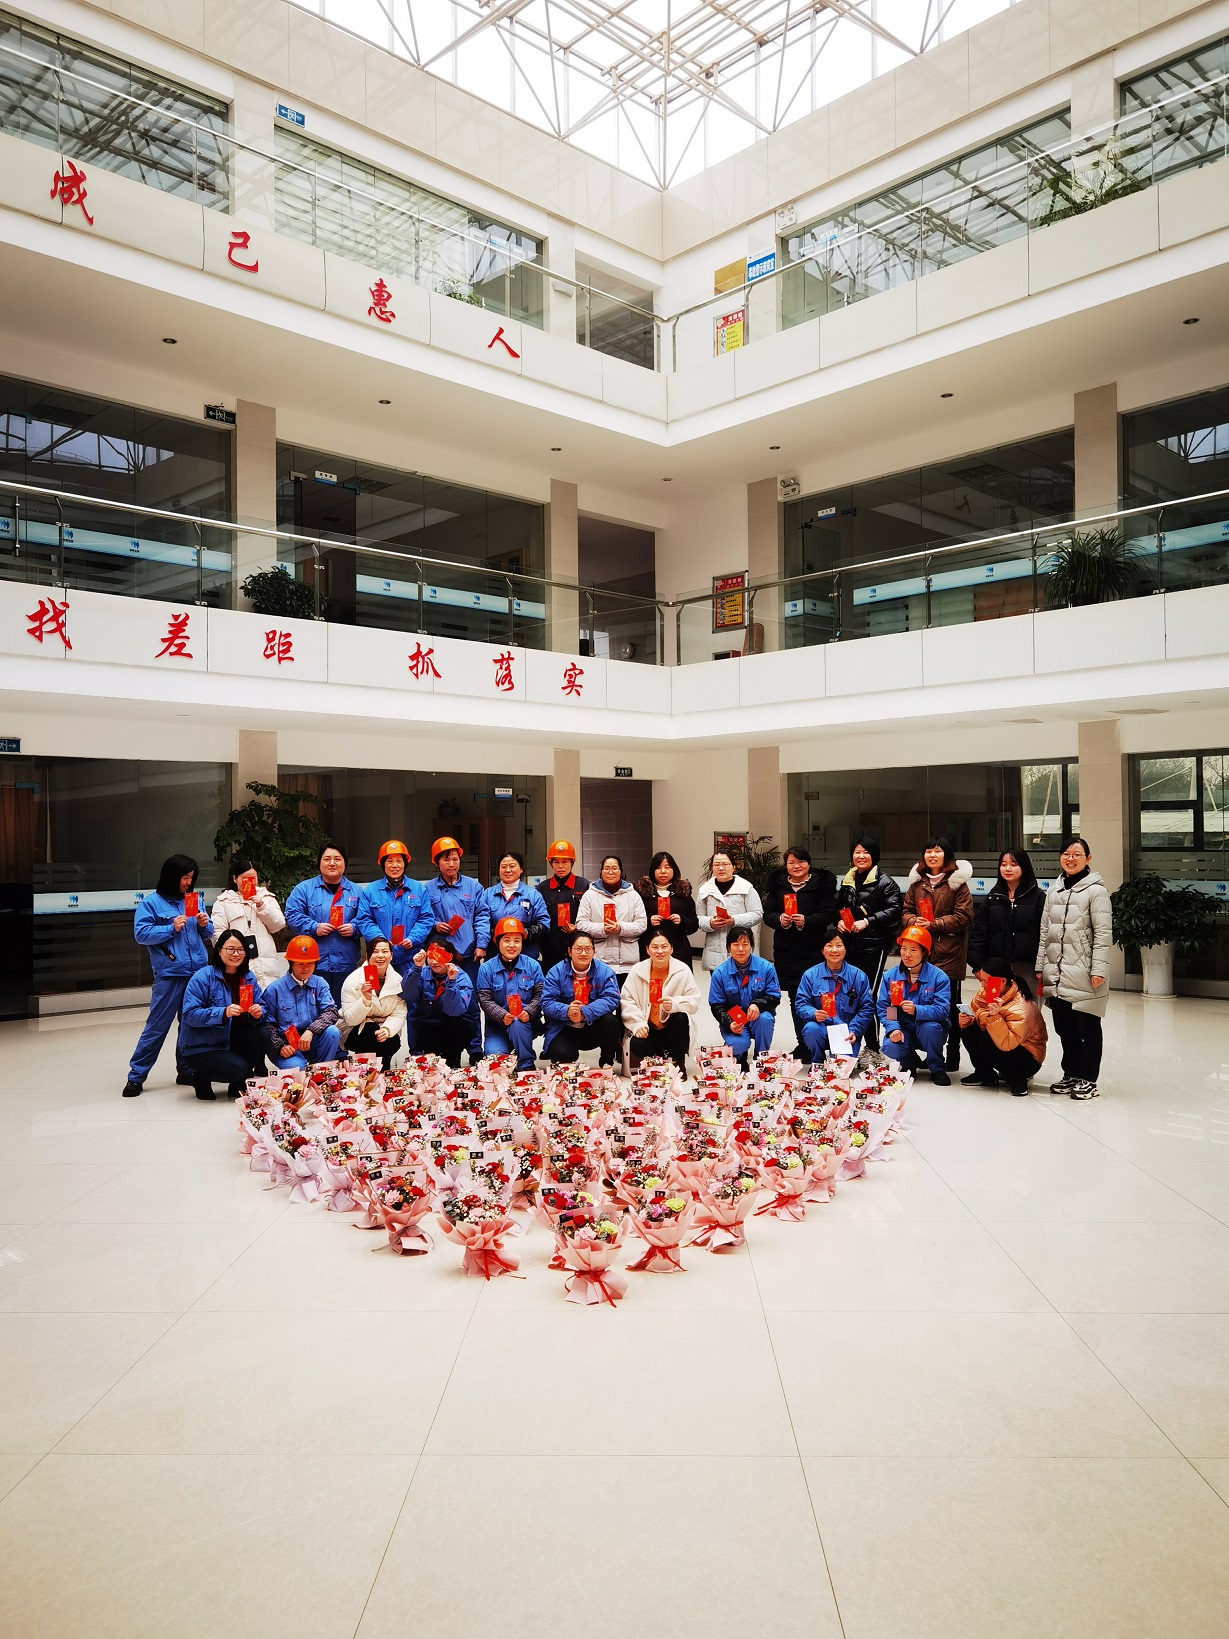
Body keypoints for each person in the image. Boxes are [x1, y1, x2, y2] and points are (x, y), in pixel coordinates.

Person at [121, 853, 214, 1098]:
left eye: (191, 878)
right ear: (172, 876)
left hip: (197, 974)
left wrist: (204, 924)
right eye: (185, 878)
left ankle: (186, 1070)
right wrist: (170, 928)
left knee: (191, 1024)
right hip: (171, 973)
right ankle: (136, 1076)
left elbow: (207, 934)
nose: (189, 882)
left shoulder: (194, 899)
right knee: (157, 1026)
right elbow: (141, 934)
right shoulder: (151, 903)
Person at [1036, 836, 1112, 1100]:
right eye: (1066, 854)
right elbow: (1045, 931)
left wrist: (1098, 969)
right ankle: (1071, 1073)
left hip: (1084, 971)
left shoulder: (1096, 892)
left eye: (1077, 854)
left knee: (1088, 1029)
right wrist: (1040, 965)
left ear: (1087, 859)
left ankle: (1088, 1079)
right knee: (1065, 1028)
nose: (1071, 858)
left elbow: (1103, 934)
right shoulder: (1053, 890)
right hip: (1056, 972)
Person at [901, 837, 973, 1071]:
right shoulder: (917, 884)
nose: (932, 855)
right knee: (919, 1002)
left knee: (950, 1006)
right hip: (922, 954)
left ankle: (952, 1055)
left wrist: (934, 924)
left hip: (948, 954)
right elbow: (905, 912)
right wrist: (914, 921)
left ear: (947, 855)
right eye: (928, 851)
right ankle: (927, 1052)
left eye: (938, 851)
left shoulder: (957, 883)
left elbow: (964, 917)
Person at [762, 844, 837, 1061]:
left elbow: (829, 913)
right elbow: (767, 913)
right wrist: (779, 920)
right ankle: (803, 1043)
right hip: (787, 951)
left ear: (809, 864)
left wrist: (806, 920)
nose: (796, 866)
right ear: (786, 866)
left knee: (820, 996)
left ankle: (822, 1041)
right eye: (791, 862)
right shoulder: (779, 886)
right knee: (796, 998)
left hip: (814, 950)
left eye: (801, 861)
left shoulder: (820, 885)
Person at [179, 929, 273, 1099]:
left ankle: (237, 1084)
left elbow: (263, 1006)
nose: (236, 954)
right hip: (203, 1046)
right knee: (239, 1069)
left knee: (262, 1035)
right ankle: (201, 1077)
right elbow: (190, 1015)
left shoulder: (248, 976)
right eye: (230, 949)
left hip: (231, 1040)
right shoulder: (202, 977)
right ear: (219, 950)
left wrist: (259, 1012)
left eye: (240, 949)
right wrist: (223, 1012)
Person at [833, 836, 901, 1049]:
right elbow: (840, 907)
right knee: (847, 995)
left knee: (867, 996)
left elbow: (894, 910)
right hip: (849, 944)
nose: (861, 856)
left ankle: (872, 1047)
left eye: (866, 852)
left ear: (875, 856)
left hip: (873, 946)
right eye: (857, 852)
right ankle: (847, 1044)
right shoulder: (848, 880)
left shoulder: (886, 882)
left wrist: (867, 921)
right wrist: (839, 922)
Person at [425, 835, 490, 1058]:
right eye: (446, 860)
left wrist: (482, 944)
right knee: (440, 1001)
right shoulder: (428, 889)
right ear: (436, 862)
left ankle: (475, 1050)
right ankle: (445, 1051)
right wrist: (435, 924)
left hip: (468, 955)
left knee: (471, 1004)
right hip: (440, 955)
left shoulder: (474, 886)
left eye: (455, 859)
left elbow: (482, 916)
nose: (451, 864)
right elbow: (423, 917)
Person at [285, 843, 363, 1006]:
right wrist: (314, 927)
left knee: (345, 1010)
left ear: (345, 863)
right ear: (319, 863)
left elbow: (367, 917)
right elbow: (292, 914)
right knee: (315, 1010)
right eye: (327, 859)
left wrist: (354, 927)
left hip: (346, 964)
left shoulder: (357, 891)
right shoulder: (304, 889)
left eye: (337, 859)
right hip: (313, 963)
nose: (332, 863)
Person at [958, 958, 1047, 1095]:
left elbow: (1007, 1043)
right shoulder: (985, 993)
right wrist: (966, 1020)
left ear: (1003, 981)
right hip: (1004, 1046)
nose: (983, 985)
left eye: (986, 981)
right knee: (969, 1031)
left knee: (988, 1038)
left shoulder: (1021, 1005)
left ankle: (1018, 1081)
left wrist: (994, 1017)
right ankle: (985, 1074)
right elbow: (976, 1017)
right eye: (981, 980)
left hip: (1027, 1058)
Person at [877, 924, 952, 1084]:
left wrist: (917, 1010)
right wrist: (893, 1028)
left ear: (924, 952)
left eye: (913, 950)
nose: (907, 954)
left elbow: (942, 1010)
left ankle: (937, 1068)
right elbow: (886, 1008)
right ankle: (910, 1063)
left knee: (930, 1028)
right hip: (904, 1028)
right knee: (890, 1046)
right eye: (904, 948)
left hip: (929, 1029)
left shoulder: (939, 977)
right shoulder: (890, 976)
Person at [621, 929, 701, 1074]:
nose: (660, 951)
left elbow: (694, 1001)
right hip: (648, 1026)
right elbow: (627, 1000)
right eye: (655, 947)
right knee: (638, 1045)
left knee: (680, 1017)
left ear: (671, 949)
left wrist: (674, 1004)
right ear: (647, 950)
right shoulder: (637, 970)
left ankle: (679, 1061)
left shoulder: (683, 970)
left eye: (664, 947)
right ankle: (655, 1057)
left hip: (671, 1028)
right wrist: (638, 1023)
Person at [968, 847, 1046, 993]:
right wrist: (978, 965)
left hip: (1028, 968)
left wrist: (1042, 967)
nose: (1007, 869)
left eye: (1014, 864)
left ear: (1024, 866)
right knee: (994, 1005)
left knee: (1026, 1006)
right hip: (995, 968)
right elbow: (979, 933)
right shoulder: (992, 898)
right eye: (1003, 864)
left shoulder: (1038, 897)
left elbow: (1045, 935)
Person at [541, 930, 622, 1065]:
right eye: (578, 949)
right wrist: (567, 1010)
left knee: (611, 1022)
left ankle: (606, 1063)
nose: (583, 953)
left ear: (594, 951)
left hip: (592, 1025)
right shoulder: (556, 972)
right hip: (564, 1026)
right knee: (561, 1054)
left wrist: (585, 1012)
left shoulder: (605, 971)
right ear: (569, 951)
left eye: (588, 949)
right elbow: (546, 1002)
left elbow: (612, 998)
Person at [262, 935, 343, 1069]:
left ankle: (322, 1071)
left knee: (332, 1032)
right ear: (291, 963)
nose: (305, 968)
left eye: (310, 963)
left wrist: (311, 1031)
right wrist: (280, 1047)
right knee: (298, 1067)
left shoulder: (320, 983)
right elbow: (267, 1024)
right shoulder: (274, 989)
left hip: (312, 1039)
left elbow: (331, 1012)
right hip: (286, 1046)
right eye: (300, 964)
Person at [793, 932, 874, 1064]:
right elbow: (801, 1004)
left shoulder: (858, 976)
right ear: (823, 950)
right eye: (829, 946)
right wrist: (813, 1013)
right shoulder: (810, 975)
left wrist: (854, 1030)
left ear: (845, 949)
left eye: (839, 945)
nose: (834, 950)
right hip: (821, 1028)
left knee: (842, 1068)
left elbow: (867, 1008)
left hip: (846, 1031)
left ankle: (841, 1056)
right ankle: (818, 1061)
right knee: (810, 1029)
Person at [476, 916, 544, 1071]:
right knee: (494, 1059)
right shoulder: (486, 969)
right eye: (507, 940)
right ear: (497, 942)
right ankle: (511, 1048)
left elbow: (541, 994)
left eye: (517, 941)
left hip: (525, 1023)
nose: (512, 945)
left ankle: (526, 1064)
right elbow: (484, 999)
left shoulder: (533, 966)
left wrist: (529, 1011)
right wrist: (501, 1015)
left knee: (518, 1023)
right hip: (497, 1025)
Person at [358, 840, 434, 978]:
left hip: (411, 957)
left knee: (411, 991)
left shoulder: (419, 889)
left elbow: (426, 918)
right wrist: (381, 941)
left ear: (405, 863)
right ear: (382, 864)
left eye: (399, 861)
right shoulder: (370, 891)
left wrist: (413, 938)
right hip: (378, 959)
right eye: (389, 861)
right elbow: (364, 920)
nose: (394, 865)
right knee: (375, 991)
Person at [708, 926, 780, 1067]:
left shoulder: (766, 967)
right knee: (738, 1045)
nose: (741, 949)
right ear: (729, 947)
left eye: (745, 944)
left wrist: (757, 1004)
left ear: (751, 946)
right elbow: (717, 1006)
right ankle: (739, 1057)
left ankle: (761, 1059)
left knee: (765, 1019)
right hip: (735, 1017)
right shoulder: (720, 973)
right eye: (736, 944)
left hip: (758, 1016)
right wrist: (730, 1022)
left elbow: (775, 996)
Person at [209, 857, 286, 987]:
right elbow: (217, 933)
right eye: (245, 878)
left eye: (253, 878)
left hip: (265, 963)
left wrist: (261, 906)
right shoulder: (224, 901)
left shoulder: (266, 897)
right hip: (237, 962)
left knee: (266, 995)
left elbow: (278, 924)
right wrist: (230, 953)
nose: (250, 882)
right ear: (235, 879)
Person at [401, 941, 475, 1068]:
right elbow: (408, 995)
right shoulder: (422, 972)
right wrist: (416, 968)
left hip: (455, 1025)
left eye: (439, 957)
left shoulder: (462, 977)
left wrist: (451, 983)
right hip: (428, 1025)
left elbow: (454, 1011)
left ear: (450, 957)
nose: (434, 962)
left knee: (454, 1032)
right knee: (428, 1039)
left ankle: (453, 1060)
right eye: (431, 956)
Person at [577, 854, 648, 985]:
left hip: (628, 965)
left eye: (614, 868)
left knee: (625, 997)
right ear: (601, 872)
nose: (610, 872)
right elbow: (581, 924)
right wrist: (602, 929)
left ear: (621, 871)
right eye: (606, 868)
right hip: (599, 962)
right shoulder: (589, 895)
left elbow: (642, 924)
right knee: (601, 997)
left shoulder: (633, 895)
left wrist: (621, 928)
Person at [340, 936, 407, 1071]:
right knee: (369, 1033)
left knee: (388, 1039)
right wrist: (365, 1000)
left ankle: (382, 1072)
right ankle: (365, 1071)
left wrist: (387, 1030)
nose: (380, 955)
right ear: (367, 956)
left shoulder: (398, 980)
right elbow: (351, 1019)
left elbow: (399, 1013)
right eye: (375, 952)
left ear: (391, 955)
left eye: (385, 951)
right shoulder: (353, 980)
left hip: (384, 1026)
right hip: (355, 1028)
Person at [696, 850, 763, 972]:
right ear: (712, 867)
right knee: (718, 982)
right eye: (716, 864)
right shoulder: (705, 890)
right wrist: (710, 923)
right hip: (714, 952)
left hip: (741, 948)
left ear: (734, 867)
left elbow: (757, 914)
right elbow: (697, 917)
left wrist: (734, 920)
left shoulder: (746, 888)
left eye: (725, 864)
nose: (721, 868)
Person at [478, 853, 550, 964]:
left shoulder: (533, 895)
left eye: (512, 866)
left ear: (521, 869)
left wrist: (521, 934)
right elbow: (481, 921)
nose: (508, 870)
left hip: (527, 957)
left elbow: (544, 924)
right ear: (499, 870)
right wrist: (499, 934)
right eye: (503, 867)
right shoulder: (488, 894)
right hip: (495, 958)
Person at [635, 851, 699, 965]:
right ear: (652, 870)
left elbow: (694, 925)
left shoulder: (683, 893)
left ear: (674, 869)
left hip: (679, 950)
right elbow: (633, 922)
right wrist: (648, 922)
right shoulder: (642, 894)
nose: (663, 871)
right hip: (650, 950)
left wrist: (682, 920)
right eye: (658, 868)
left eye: (667, 867)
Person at [538, 839, 589, 972]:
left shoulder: (584, 886)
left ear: (572, 862)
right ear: (551, 863)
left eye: (565, 862)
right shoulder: (542, 888)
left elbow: (592, 916)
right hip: (550, 952)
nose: (560, 866)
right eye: (556, 862)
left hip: (578, 951)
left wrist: (577, 928)